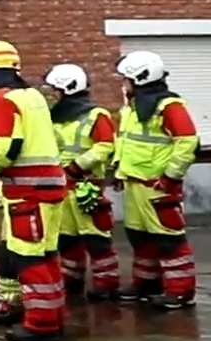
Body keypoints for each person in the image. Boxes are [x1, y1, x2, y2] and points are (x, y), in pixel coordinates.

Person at [0, 40, 68, 341]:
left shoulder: (3, 99)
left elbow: (8, 148)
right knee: (46, 255)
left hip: (26, 192)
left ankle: (41, 324)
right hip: (50, 188)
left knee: (27, 257)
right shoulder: (33, 97)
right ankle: (54, 318)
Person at [113, 51, 198, 309]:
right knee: (140, 238)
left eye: (126, 79)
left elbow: (188, 141)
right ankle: (147, 283)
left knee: (168, 239)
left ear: (140, 78)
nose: (123, 84)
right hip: (135, 183)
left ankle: (180, 291)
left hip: (157, 186)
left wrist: (171, 175)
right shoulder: (134, 107)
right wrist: (119, 171)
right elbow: (126, 141)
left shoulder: (168, 106)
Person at [43, 63, 121, 302]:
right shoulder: (54, 117)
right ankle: (72, 280)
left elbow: (106, 145)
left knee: (96, 239)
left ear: (68, 89)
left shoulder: (96, 115)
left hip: (86, 186)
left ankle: (106, 283)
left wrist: (77, 167)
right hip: (61, 187)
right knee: (66, 239)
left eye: (54, 90)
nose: (51, 96)